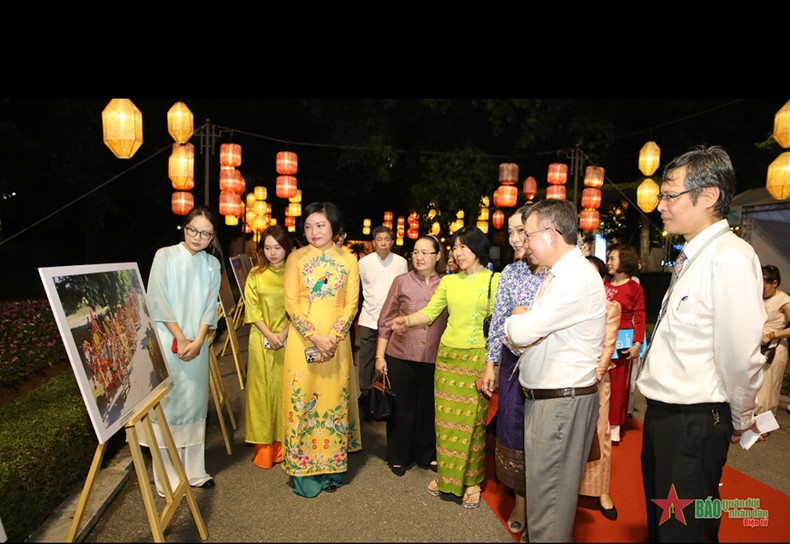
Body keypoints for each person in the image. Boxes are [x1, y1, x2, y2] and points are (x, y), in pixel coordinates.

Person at [636, 145, 765, 542]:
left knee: (684, 533)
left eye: (670, 194)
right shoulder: (693, 255)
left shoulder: (729, 257)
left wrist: (741, 417)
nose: (661, 205)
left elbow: (740, 354)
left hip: (692, 420)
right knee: (665, 529)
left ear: (708, 196)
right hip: (663, 416)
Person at [503, 198, 606, 543]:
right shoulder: (560, 274)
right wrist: (521, 322)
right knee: (545, 497)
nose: (524, 242)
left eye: (528, 234)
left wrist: (516, 318)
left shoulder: (575, 277)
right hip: (549, 399)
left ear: (551, 234)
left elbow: (521, 332)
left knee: (549, 504)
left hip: (560, 404)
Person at [387, 225, 499, 509]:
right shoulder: (449, 282)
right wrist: (406, 321)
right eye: (455, 247)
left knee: (473, 424)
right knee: (446, 424)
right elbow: (430, 313)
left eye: (463, 246)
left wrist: (491, 365)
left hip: (477, 357)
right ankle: (447, 475)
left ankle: (471, 480)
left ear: (478, 248)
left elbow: (498, 327)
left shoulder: (494, 280)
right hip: (447, 357)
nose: (458, 253)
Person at [281, 201, 362, 498]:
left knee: (332, 403)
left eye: (321, 225)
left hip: (336, 346)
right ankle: (304, 474)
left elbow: (352, 304)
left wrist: (334, 336)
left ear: (335, 228)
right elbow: (291, 303)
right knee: (302, 402)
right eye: (308, 226)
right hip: (303, 342)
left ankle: (331, 472)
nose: (314, 231)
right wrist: (315, 336)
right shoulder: (296, 258)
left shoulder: (349, 260)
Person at [144, 204, 222, 496]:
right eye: (193, 230)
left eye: (205, 233)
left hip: (197, 346)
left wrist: (199, 340)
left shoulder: (212, 265)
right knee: (167, 408)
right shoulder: (164, 256)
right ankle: (166, 478)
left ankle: (195, 471)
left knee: (194, 405)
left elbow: (209, 308)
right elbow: (158, 301)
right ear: (184, 227)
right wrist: (180, 338)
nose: (198, 237)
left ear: (213, 237)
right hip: (167, 342)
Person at [481, 205, 546, 537]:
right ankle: (521, 501)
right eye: (511, 232)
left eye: (522, 230)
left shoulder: (558, 271)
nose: (516, 238)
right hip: (511, 369)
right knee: (515, 435)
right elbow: (497, 323)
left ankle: (547, 502)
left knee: (545, 438)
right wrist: (491, 363)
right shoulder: (510, 273)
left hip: (551, 367)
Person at [375, 234, 449, 476]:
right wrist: (380, 357)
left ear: (437, 256)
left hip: (435, 356)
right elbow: (385, 321)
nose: (419, 257)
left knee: (428, 406)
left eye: (425, 252)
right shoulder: (401, 282)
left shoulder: (448, 284)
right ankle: (398, 455)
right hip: (401, 354)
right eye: (415, 252)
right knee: (402, 406)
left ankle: (426, 453)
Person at [243, 224, 293, 469]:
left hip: (288, 338)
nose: (273, 252)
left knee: (285, 391)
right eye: (268, 247)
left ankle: (284, 446)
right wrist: (269, 334)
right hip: (260, 340)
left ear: (287, 248)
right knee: (261, 394)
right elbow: (252, 309)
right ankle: (263, 449)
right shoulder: (254, 274)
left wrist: (283, 333)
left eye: (278, 247)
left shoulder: (295, 275)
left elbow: (299, 309)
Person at [579, 255, 620, 521]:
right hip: (566, 378)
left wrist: (595, 374)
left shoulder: (610, 307)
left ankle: (601, 490)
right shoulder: (566, 304)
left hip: (595, 379)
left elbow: (609, 346)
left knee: (601, 433)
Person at [357, 226, 408, 411]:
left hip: (392, 321)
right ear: (374, 242)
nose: (384, 243)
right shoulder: (363, 263)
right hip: (368, 318)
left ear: (392, 242)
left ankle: (388, 393)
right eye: (380, 239)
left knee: (390, 357)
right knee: (366, 360)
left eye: (387, 239)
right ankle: (365, 394)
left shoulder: (401, 262)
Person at [604, 244, 646, 444]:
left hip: (622, 341)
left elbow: (640, 315)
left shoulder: (634, 288)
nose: (608, 262)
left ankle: (614, 427)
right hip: (600, 339)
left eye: (613, 258)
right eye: (609, 258)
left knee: (618, 385)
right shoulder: (604, 283)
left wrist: (638, 342)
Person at [755, 264, 790, 416]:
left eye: (764, 288)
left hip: (773, 348)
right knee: (752, 386)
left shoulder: (784, 301)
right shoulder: (756, 296)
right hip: (755, 345)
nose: (761, 292)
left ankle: (764, 424)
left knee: (767, 389)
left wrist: (772, 335)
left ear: (774, 283)